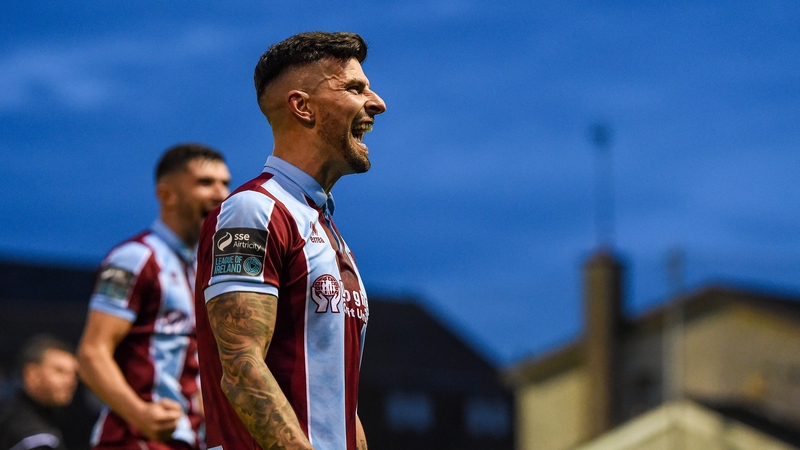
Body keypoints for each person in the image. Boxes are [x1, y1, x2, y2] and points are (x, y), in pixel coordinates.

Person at [194, 31, 387, 450]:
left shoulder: (327, 229)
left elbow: (338, 401)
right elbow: (243, 371)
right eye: (355, 88)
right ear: (302, 106)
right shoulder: (253, 211)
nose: (377, 103)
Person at [77, 143, 231, 450]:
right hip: (135, 440)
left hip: (189, 439)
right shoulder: (134, 258)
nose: (221, 194)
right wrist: (141, 414)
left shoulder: (204, 266)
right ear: (166, 194)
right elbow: (92, 353)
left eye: (225, 183)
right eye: (205, 182)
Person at [0, 334, 79, 450]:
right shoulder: (33, 438)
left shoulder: (42, 425)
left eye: (74, 374)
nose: (70, 381)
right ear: (32, 374)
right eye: (59, 371)